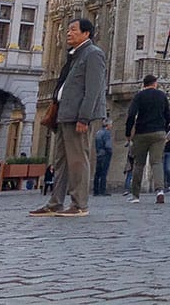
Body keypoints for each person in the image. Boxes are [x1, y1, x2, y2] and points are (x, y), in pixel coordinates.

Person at [29, 18, 107, 218]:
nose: (68, 33)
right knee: (61, 160)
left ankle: (80, 203)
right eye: (68, 30)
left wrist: (84, 117)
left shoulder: (93, 55)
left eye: (73, 30)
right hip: (65, 113)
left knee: (78, 159)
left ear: (86, 33)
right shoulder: (74, 55)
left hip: (77, 116)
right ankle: (55, 202)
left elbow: (93, 89)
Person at [125, 74, 170, 205]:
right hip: (159, 132)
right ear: (154, 83)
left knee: (139, 163)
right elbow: (168, 115)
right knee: (157, 162)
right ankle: (160, 191)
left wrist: (128, 133)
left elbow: (131, 115)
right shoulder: (162, 95)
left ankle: (135, 195)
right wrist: (164, 128)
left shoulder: (139, 96)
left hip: (142, 132)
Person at [93, 120, 113, 196]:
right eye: (111, 124)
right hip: (105, 154)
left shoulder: (98, 132)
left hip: (99, 154)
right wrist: (110, 151)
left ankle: (96, 190)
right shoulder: (107, 133)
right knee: (104, 173)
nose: (111, 126)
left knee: (97, 173)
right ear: (107, 125)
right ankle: (102, 190)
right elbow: (108, 145)